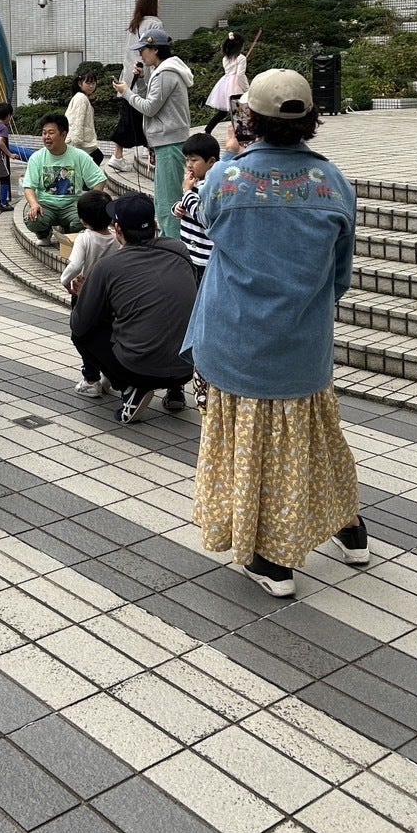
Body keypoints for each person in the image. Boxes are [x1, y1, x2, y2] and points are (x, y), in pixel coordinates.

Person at [184, 68, 367, 599]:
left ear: (249, 120)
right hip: (303, 348)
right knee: (316, 441)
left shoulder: (226, 179)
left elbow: (211, 225)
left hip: (236, 343)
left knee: (250, 451)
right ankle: (349, 529)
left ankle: (271, 559)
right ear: (311, 118)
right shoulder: (334, 183)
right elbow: (339, 278)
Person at [70, 193, 196, 423]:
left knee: (81, 333)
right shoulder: (180, 250)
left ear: (118, 229)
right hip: (188, 365)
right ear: (155, 225)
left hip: (141, 370)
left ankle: (131, 389)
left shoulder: (107, 267)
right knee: (170, 313)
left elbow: (80, 324)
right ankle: (175, 390)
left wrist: (83, 295)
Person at [113, 31, 193, 240]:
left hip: (169, 142)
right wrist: (140, 82)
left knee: (168, 202)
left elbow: (149, 108)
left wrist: (126, 92)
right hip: (168, 141)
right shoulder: (165, 70)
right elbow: (152, 101)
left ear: (155, 49)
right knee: (163, 200)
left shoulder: (166, 73)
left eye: (143, 50)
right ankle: (169, 242)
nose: (141, 54)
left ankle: (173, 246)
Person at [61, 190, 119, 396]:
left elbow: (76, 265)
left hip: (84, 294)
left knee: (84, 335)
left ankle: (91, 380)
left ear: (82, 220)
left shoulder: (84, 238)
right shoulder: (116, 238)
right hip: (109, 297)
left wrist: (64, 280)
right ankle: (108, 373)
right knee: (106, 334)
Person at [22, 113, 107, 242]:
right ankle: (44, 233)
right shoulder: (36, 157)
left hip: (72, 206)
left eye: (51, 133)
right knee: (33, 219)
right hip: (46, 206)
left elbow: (99, 179)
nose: (46, 137)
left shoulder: (79, 156)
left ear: (63, 135)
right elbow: (28, 186)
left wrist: (90, 205)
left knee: (87, 218)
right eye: (44, 133)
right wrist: (34, 204)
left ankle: (68, 230)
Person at [109, 0, 164, 171]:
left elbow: (128, 53)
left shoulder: (135, 24)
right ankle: (120, 155)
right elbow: (157, 51)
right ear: (152, 5)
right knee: (143, 116)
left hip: (129, 76)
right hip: (143, 76)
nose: (160, 7)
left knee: (131, 115)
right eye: (158, 4)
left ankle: (124, 154)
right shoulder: (155, 24)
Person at [173, 131, 220, 281]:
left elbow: (201, 215)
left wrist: (187, 192)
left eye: (194, 160)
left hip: (204, 257)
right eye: (187, 160)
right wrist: (177, 208)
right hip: (189, 252)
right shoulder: (194, 183)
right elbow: (187, 205)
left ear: (211, 162)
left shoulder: (210, 187)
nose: (189, 165)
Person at [205, 31, 249, 134]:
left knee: (223, 112)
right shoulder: (241, 58)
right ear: (239, 45)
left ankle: (207, 130)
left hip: (225, 84)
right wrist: (247, 89)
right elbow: (240, 75)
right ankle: (242, 135)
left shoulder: (225, 58)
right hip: (236, 86)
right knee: (239, 111)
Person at [65, 71, 104, 164]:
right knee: (97, 157)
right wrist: (77, 142)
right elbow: (77, 121)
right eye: (88, 83)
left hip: (83, 142)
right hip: (80, 144)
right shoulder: (81, 98)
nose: (91, 86)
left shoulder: (82, 97)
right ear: (80, 83)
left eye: (93, 83)